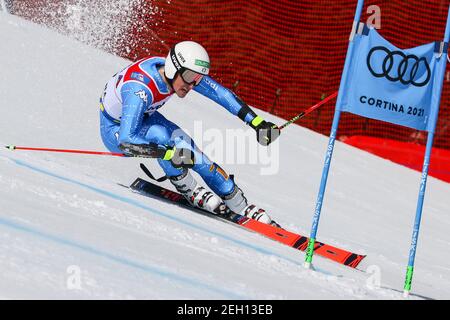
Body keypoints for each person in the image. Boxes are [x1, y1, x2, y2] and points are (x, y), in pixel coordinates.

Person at [99, 41, 280, 226]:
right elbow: (126, 141)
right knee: (164, 138)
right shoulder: (140, 89)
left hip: (145, 118)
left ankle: (238, 203)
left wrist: (256, 122)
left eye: (198, 79)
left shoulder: (182, 74)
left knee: (191, 151)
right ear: (173, 69)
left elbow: (221, 94)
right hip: (115, 129)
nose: (192, 85)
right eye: (190, 78)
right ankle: (189, 188)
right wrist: (169, 154)